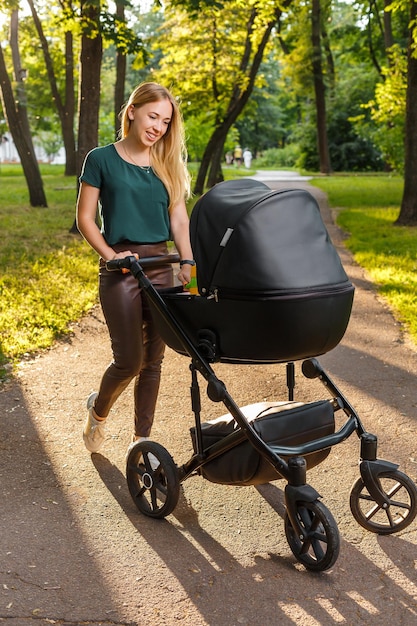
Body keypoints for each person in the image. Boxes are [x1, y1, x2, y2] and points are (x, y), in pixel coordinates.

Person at [76, 82, 194, 457]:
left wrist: (187, 259)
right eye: (152, 116)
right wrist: (111, 255)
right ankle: (98, 411)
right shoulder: (100, 159)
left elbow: (178, 219)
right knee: (129, 360)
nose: (158, 127)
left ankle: (141, 439)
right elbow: (85, 219)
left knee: (154, 362)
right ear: (132, 111)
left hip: (160, 266)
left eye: (165, 121)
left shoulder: (168, 163)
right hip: (120, 268)